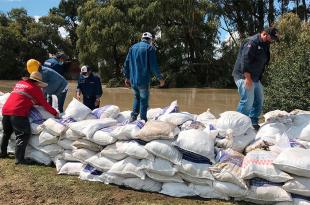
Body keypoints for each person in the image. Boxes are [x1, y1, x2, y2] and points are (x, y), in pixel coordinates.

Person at [0, 71, 58, 165]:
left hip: (5, 110)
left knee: (6, 133)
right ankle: (20, 159)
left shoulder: (20, 83)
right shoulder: (35, 88)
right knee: (23, 134)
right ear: (37, 82)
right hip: (18, 112)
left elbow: (22, 96)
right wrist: (55, 113)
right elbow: (44, 104)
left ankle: (3, 153)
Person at [232, 27, 279, 131]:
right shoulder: (252, 42)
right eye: (272, 38)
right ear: (264, 34)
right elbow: (245, 60)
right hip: (244, 76)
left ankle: (253, 121)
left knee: (259, 99)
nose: (273, 40)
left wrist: (258, 78)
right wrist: (247, 79)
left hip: (255, 78)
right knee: (248, 101)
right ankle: (238, 125)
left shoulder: (265, 45)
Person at [123, 32, 165, 122]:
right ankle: (143, 120)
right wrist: (160, 78)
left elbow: (126, 64)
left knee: (136, 97)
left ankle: (133, 117)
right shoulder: (149, 48)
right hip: (143, 80)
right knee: (143, 100)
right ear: (150, 39)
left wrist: (126, 77)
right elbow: (154, 66)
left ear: (142, 38)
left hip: (133, 80)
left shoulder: (132, 48)